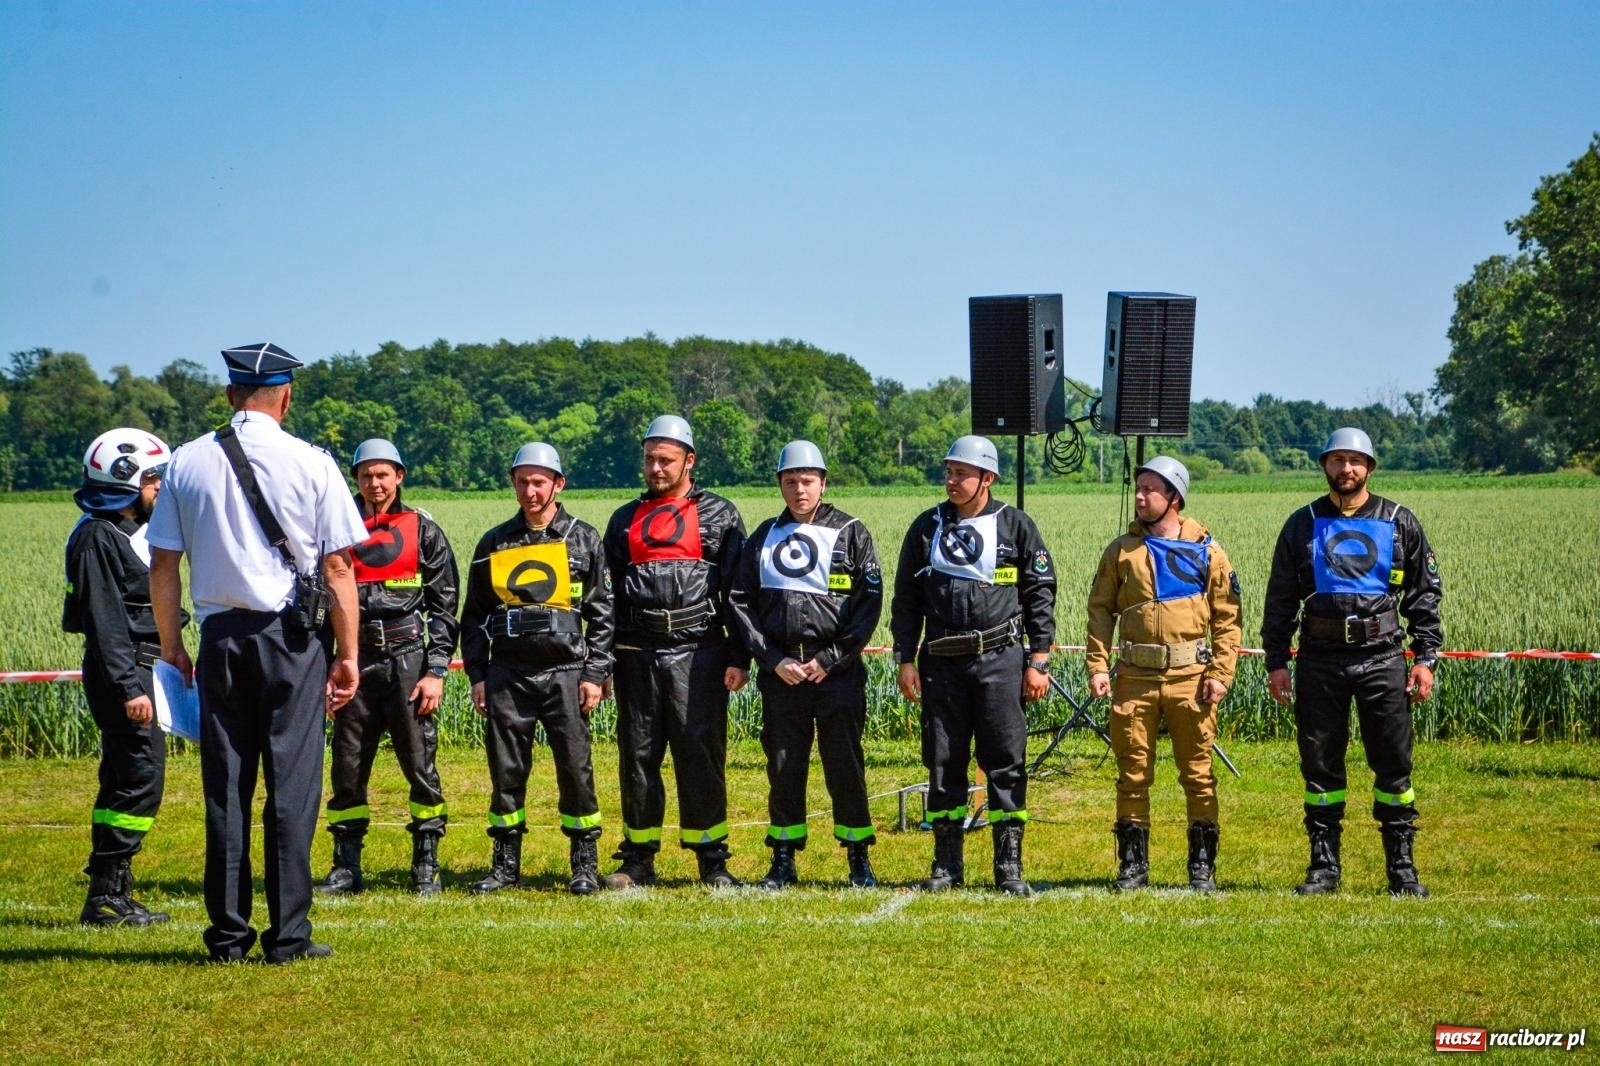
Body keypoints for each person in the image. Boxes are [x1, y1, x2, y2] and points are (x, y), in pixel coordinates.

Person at [148, 342, 367, 963]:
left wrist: (173, 648)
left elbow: (163, 564)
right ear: (286, 396)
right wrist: (347, 654)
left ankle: (227, 936)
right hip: (292, 640)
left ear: (229, 395)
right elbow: (338, 566)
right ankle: (289, 936)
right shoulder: (314, 463)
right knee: (291, 789)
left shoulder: (187, 462)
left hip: (220, 640)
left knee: (227, 788)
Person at [1263, 427, 1443, 898]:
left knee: (1393, 764)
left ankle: (1401, 868)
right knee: (1320, 763)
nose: (1347, 469)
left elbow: (1423, 596)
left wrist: (1425, 658)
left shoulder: (1399, 521)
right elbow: (1280, 599)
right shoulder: (1302, 523)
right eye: (1337, 460)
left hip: (1383, 657)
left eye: (1355, 461)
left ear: (1370, 467)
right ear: (1325, 466)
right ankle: (1324, 867)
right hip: (1320, 659)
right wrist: (1276, 661)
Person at [890, 435, 1056, 895]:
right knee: (944, 762)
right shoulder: (926, 527)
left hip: (1001, 660)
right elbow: (905, 600)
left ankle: (1009, 867)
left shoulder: (1017, 526)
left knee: (1005, 759)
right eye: (948, 472)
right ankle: (947, 865)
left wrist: (1038, 658)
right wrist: (905, 658)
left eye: (961, 473)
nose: (951, 480)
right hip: (940, 663)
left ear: (987, 478)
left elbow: (1040, 593)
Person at [459, 442, 614, 895]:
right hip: (508, 673)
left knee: (575, 768)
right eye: (523, 481)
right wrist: (478, 675)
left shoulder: (584, 538)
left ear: (557, 484)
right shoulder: (495, 542)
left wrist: (594, 674)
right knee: (506, 770)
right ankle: (505, 864)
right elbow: (473, 617)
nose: (530, 490)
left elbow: (602, 614)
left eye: (539, 481)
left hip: (567, 671)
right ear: (514, 483)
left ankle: (584, 862)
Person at [728, 440, 884, 890]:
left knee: (845, 764)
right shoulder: (762, 537)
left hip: (836, 675)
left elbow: (868, 603)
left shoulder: (852, 531)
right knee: (783, 766)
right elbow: (741, 602)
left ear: (823, 483)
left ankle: (858, 858)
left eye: (807, 481)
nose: (799, 490)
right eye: (790, 482)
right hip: (782, 676)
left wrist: (831, 659)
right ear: (780, 483)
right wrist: (772, 660)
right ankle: (782, 859)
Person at [601, 415, 749, 888]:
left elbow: (738, 592)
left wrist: (738, 656)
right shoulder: (623, 520)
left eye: (665, 460)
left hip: (699, 652)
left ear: (689, 460)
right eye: (649, 459)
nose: (655, 468)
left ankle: (712, 860)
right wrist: (603, 662)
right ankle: (637, 860)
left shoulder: (721, 515)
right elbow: (605, 600)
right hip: (636, 654)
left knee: (700, 755)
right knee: (638, 755)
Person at [1085, 456, 1242, 892]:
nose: (1140, 496)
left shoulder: (1207, 550)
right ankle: (1133, 866)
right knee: (1132, 773)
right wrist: (1097, 666)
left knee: (1197, 772)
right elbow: (1100, 612)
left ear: (1174, 496)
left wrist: (1220, 674)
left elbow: (1227, 619)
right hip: (1133, 677)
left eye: (1150, 489)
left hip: (1191, 678)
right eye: (1138, 489)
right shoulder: (1121, 551)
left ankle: (1202, 867)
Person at [315, 439, 459, 897]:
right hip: (353, 661)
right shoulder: (336, 528)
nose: (374, 484)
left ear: (400, 476)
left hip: (408, 661)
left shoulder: (424, 530)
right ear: (354, 480)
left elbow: (445, 606)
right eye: (365, 476)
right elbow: (321, 605)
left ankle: (426, 862)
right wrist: (324, 669)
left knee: (419, 763)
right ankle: (345, 867)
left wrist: (435, 670)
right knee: (347, 766)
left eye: (383, 475)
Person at [63, 427, 182, 925]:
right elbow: (107, 621)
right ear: (128, 482)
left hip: (143, 665)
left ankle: (111, 890)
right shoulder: (95, 538)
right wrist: (130, 688)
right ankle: (108, 895)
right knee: (136, 779)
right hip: (126, 671)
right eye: (156, 481)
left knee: (127, 778)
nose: (162, 491)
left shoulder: (123, 533)